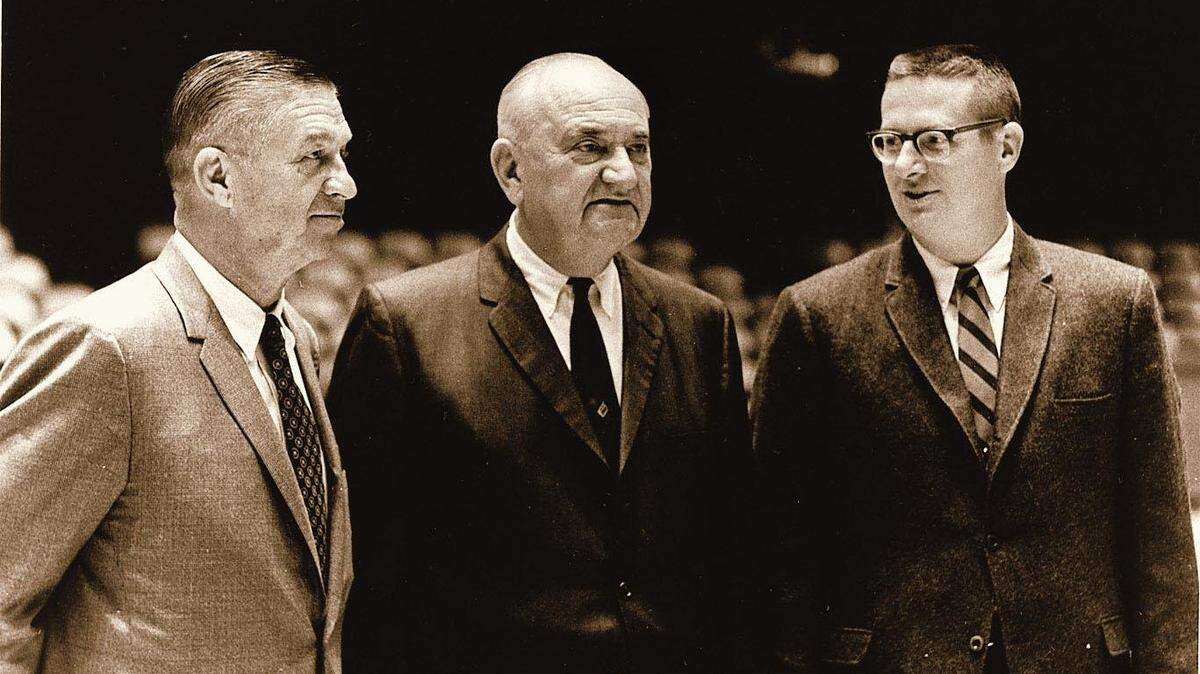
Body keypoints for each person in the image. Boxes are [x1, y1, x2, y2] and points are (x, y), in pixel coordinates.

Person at [752, 44, 1197, 673]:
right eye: (888, 141)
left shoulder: (1113, 302)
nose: (906, 165)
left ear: (1007, 147)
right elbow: (784, 553)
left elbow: (1160, 538)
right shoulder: (816, 314)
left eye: (933, 140)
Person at [327, 52, 763, 673]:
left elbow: (731, 557)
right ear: (511, 170)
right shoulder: (405, 322)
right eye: (589, 147)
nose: (622, 172)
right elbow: (369, 577)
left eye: (638, 150)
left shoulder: (699, 321)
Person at [0, 50, 357, 671]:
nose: (346, 184)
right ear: (217, 177)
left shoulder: (293, 334)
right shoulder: (105, 343)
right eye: (315, 157)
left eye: (344, 156)